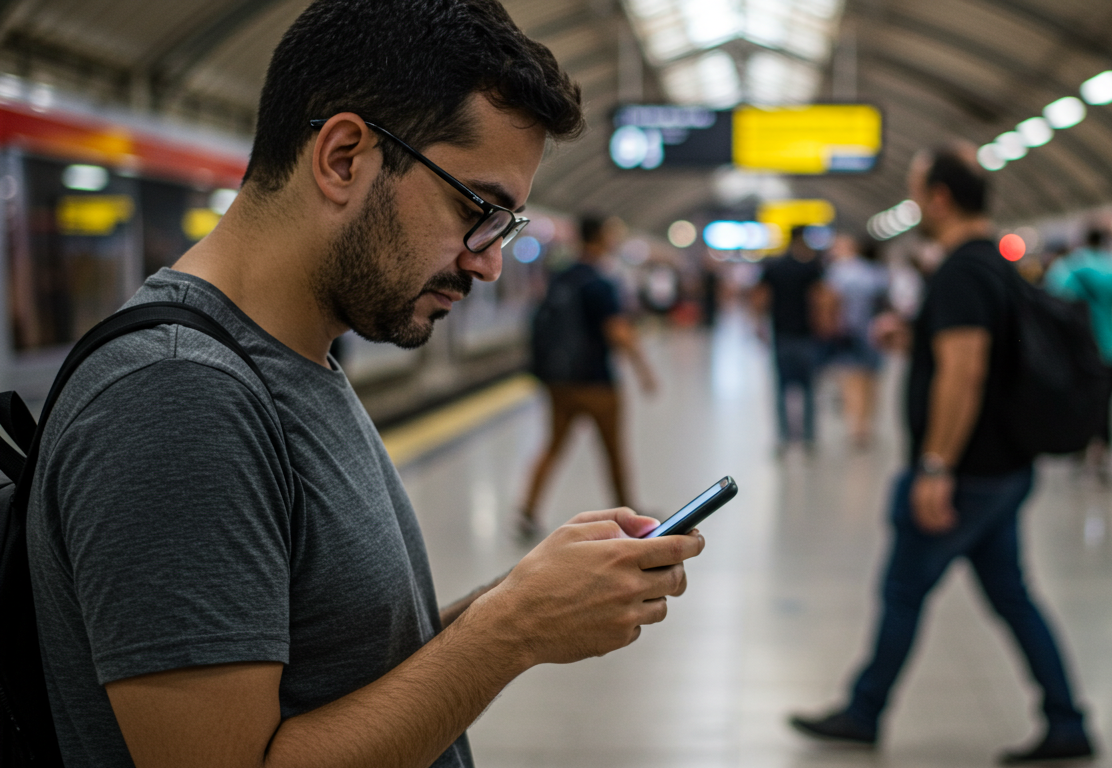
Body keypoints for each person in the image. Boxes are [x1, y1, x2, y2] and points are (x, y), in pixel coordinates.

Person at [26, 3, 704, 766]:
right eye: (478, 209)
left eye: (506, 228)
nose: (488, 262)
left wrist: (523, 596)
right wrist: (510, 632)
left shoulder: (295, 358)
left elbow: (342, 678)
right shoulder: (177, 399)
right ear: (344, 156)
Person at [790, 147, 1095, 765]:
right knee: (1012, 595)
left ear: (941, 199)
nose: (914, 206)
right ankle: (1068, 722)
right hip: (1004, 466)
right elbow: (979, 348)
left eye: (916, 193)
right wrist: (917, 336)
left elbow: (966, 371)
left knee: (904, 590)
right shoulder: (998, 263)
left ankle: (864, 711)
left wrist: (935, 467)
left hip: (967, 472)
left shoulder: (960, 270)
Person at [520, 215, 658, 538]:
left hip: (560, 381)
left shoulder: (560, 276)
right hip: (596, 381)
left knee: (552, 446)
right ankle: (630, 512)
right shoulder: (600, 282)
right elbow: (618, 332)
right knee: (613, 449)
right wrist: (644, 370)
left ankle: (527, 511)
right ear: (599, 239)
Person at [1045, 229, 1112, 473]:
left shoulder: (1065, 267)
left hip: (1074, 349)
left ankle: (1079, 444)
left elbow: (1052, 303)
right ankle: (1103, 446)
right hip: (1111, 347)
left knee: (1077, 399)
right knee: (1106, 401)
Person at [753, 226, 827, 452]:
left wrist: (759, 324)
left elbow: (761, 297)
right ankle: (808, 437)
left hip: (781, 334)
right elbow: (820, 299)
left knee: (781, 389)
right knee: (809, 389)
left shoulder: (774, 266)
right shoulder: (811, 267)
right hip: (806, 335)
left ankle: (784, 437)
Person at [825, 233, 890, 448]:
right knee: (871, 381)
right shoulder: (876, 273)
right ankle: (867, 424)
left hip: (848, 334)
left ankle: (856, 427)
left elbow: (831, 302)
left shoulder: (838, 273)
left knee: (852, 381)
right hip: (874, 334)